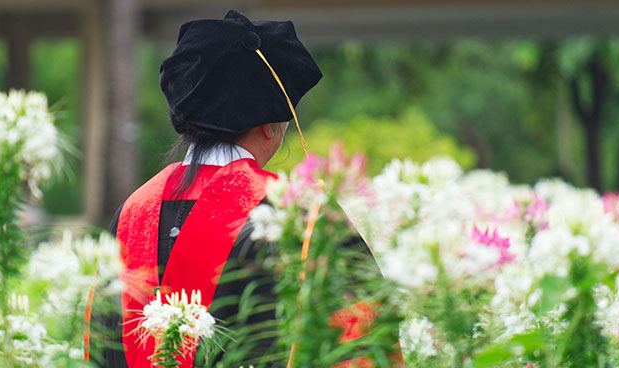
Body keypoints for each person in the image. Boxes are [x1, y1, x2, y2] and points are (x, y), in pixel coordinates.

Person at [99, 10, 400, 368]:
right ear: (269, 127)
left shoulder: (133, 212)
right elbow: (363, 335)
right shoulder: (296, 213)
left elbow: (101, 341)